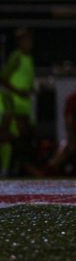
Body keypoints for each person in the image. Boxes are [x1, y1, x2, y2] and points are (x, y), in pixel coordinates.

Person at [1, 27, 36, 175]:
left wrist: (30, 89)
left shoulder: (29, 58)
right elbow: (3, 78)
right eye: (24, 40)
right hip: (13, 102)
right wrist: (18, 92)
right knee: (12, 137)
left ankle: (14, 169)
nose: (28, 43)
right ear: (19, 42)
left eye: (29, 39)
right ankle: (8, 169)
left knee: (23, 137)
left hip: (24, 104)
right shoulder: (16, 56)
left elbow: (25, 80)